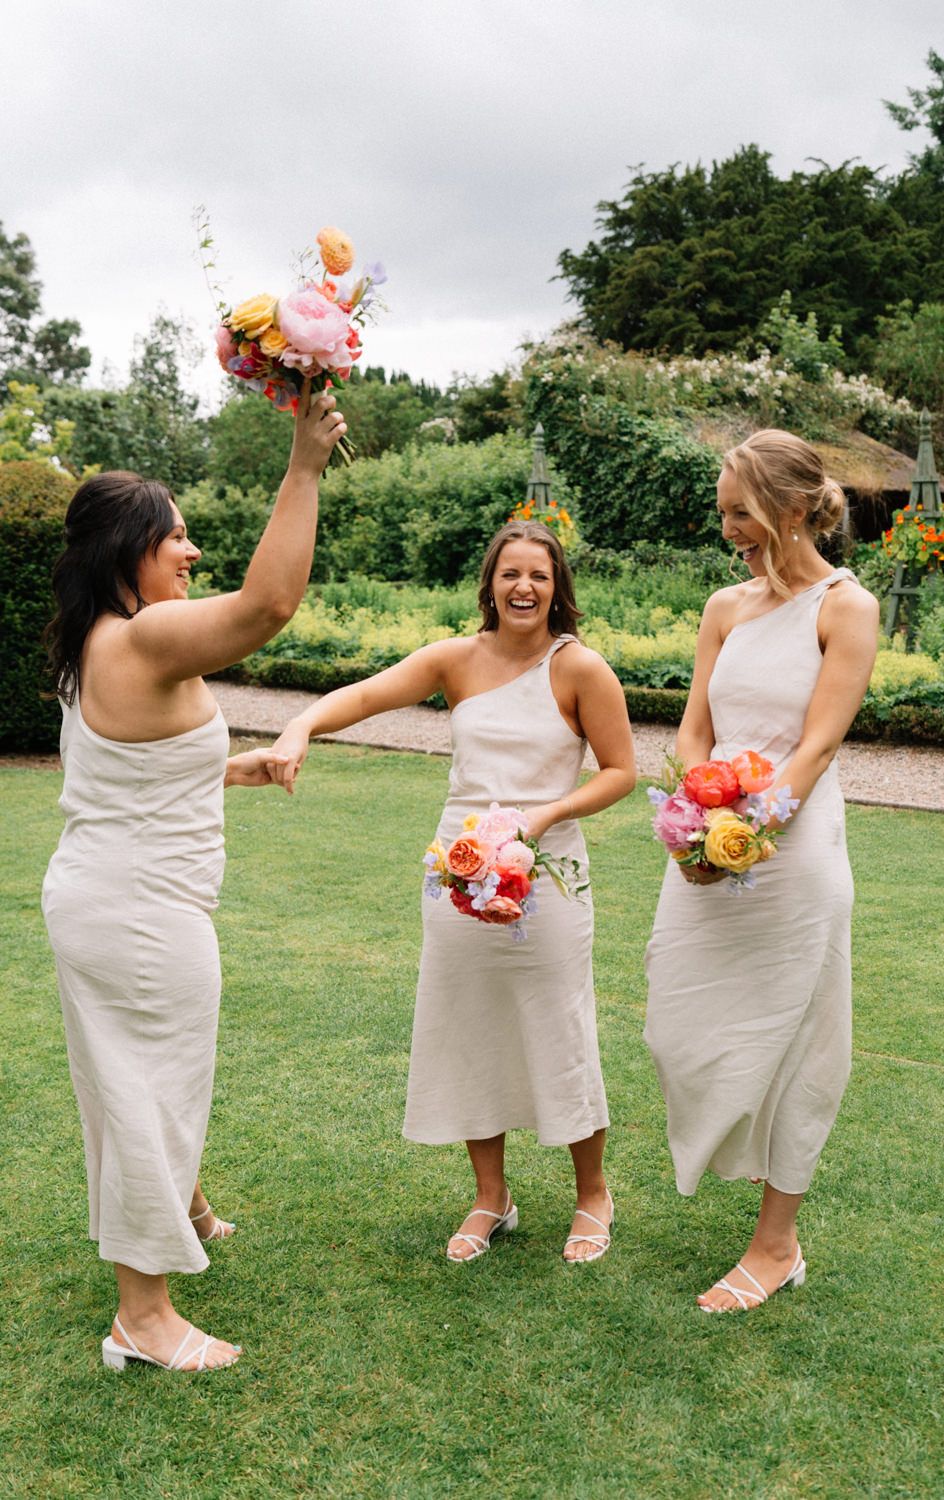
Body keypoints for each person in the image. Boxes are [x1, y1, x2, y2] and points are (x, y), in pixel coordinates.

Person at [42, 383, 346, 1371]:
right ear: (129, 547)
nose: (191, 551)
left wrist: (230, 767)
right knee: (150, 1090)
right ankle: (144, 1317)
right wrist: (303, 463)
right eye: (175, 537)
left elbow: (121, 770)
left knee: (132, 1083)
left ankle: (183, 1205)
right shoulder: (144, 637)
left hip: (103, 889)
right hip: (138, 910)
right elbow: (270, 605)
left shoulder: (100, 644)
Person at [268, 521, 636, 1262]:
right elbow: (369, 695)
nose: (523, 587)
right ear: (489, 585)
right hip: (458, 869)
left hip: (548, 875)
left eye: (538, 574)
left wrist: (545, 815)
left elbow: (621, 771)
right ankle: (490, 1197)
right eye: (510, 574)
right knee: (468, 1029)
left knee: (559, 1028)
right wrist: (302, 724)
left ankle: (592, 1196)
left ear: (558, 587)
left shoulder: (581, 669)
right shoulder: (455, 659)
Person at [644, 429, 879, 1312]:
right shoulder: (723, 607)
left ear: (790, 506)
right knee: (675, 1024)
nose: (729, 528)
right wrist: (693, 835)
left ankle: (776, 1244)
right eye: (723, 514)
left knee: (800, 1040)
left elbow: (818, 744)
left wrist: (746, 832)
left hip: (793, 847)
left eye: (740, 512)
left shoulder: (844, 606)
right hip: (705, 838)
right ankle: (750, 1189)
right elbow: (695, 731)